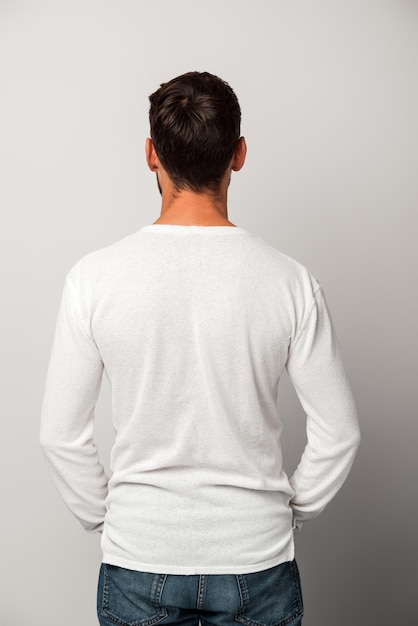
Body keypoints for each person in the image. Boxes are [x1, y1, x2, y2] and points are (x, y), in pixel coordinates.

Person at [40, 71, 361, 626]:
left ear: (150, 155)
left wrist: (115, 518)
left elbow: (59, 434)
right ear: (239, 155)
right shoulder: (288, 281)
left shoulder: (93, 279)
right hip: (256, 558)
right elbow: (341, 432)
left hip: (139, 555)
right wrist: (282, 516)